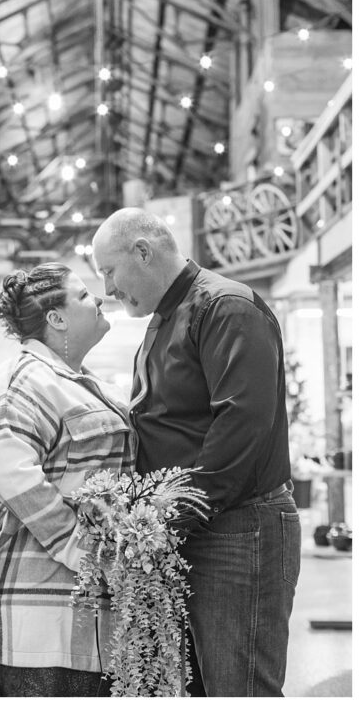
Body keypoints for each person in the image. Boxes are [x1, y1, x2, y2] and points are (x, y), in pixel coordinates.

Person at [92, 208, 300, 696]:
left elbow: (241, 426)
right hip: (203, 528)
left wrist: (165, 517)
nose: (108, 290)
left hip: (238, 530)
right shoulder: (166, 317)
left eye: (109, 271)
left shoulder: (225, 308)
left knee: (239, 687)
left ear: (142, 252)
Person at [0, 263, 134, 697]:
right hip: (29, 623)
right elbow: (15, 478)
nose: (99, 298)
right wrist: (91, 556)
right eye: (84, 295)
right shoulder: (20, 385)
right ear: (57, 318)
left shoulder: (76, 382)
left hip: (70, 617)